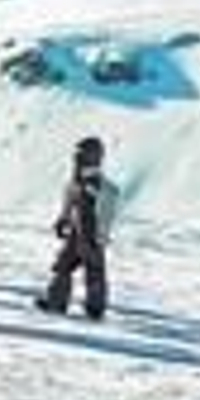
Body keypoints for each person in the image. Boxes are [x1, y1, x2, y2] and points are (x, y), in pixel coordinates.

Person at [36, 137, 123, 320]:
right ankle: (56, 301)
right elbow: (69, 200)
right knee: (63, 264)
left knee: (94, 268)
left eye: (80, 155)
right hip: (77, 229)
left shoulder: (100, 185)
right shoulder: (76, 181)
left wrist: (102, 233)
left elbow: (108, 208)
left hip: (91, 231)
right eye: (76, 156)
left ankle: (95, 307)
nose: (76, 159)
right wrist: (63, 219)